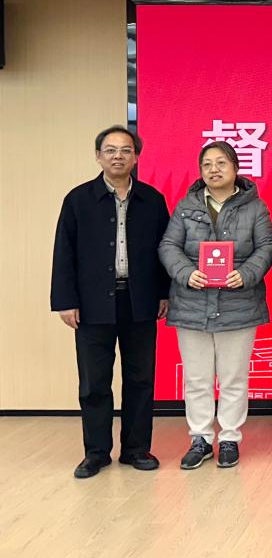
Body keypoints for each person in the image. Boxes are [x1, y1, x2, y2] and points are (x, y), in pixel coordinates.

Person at [51, 125, 170, 479]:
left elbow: (165, 251)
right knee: (94, 382)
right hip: (91, 304)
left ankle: (136, 449)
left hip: (139, 301)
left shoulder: (152, 200)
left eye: (126, 150)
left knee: (140, 379)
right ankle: (96, 452)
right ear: (98, 156)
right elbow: (63, 253)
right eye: (110, 150)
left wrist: (164, 293)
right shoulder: (78, 200)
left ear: (137, 157)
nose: (118, 156)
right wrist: (65, 301)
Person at [158, 141, 272, 469]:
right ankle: (200, 438)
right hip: (192, 304)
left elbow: (267, 246)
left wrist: (246, 274)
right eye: (207, 164)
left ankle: (229, 438)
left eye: (221, 163)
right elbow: (168, 245)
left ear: (236, 167)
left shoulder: (255, 207)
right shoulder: (186, 205)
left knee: (233, 377)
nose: (214, 169)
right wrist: (186, 273)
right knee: (197, 378)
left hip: (239, 304)